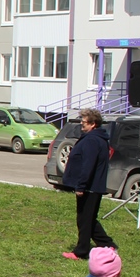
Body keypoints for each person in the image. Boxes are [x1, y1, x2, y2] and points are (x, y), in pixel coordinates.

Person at [59, 108, 116, 260]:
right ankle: (107, 244)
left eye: (84, 122)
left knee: (84, 220)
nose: (81, 125)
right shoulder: (97, 138)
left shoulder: (92, 140)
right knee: (88, 219)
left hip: (90, 187)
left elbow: (88, 165)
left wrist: (81, 186)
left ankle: (81, 251)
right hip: (93, 186)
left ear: (93, 124)